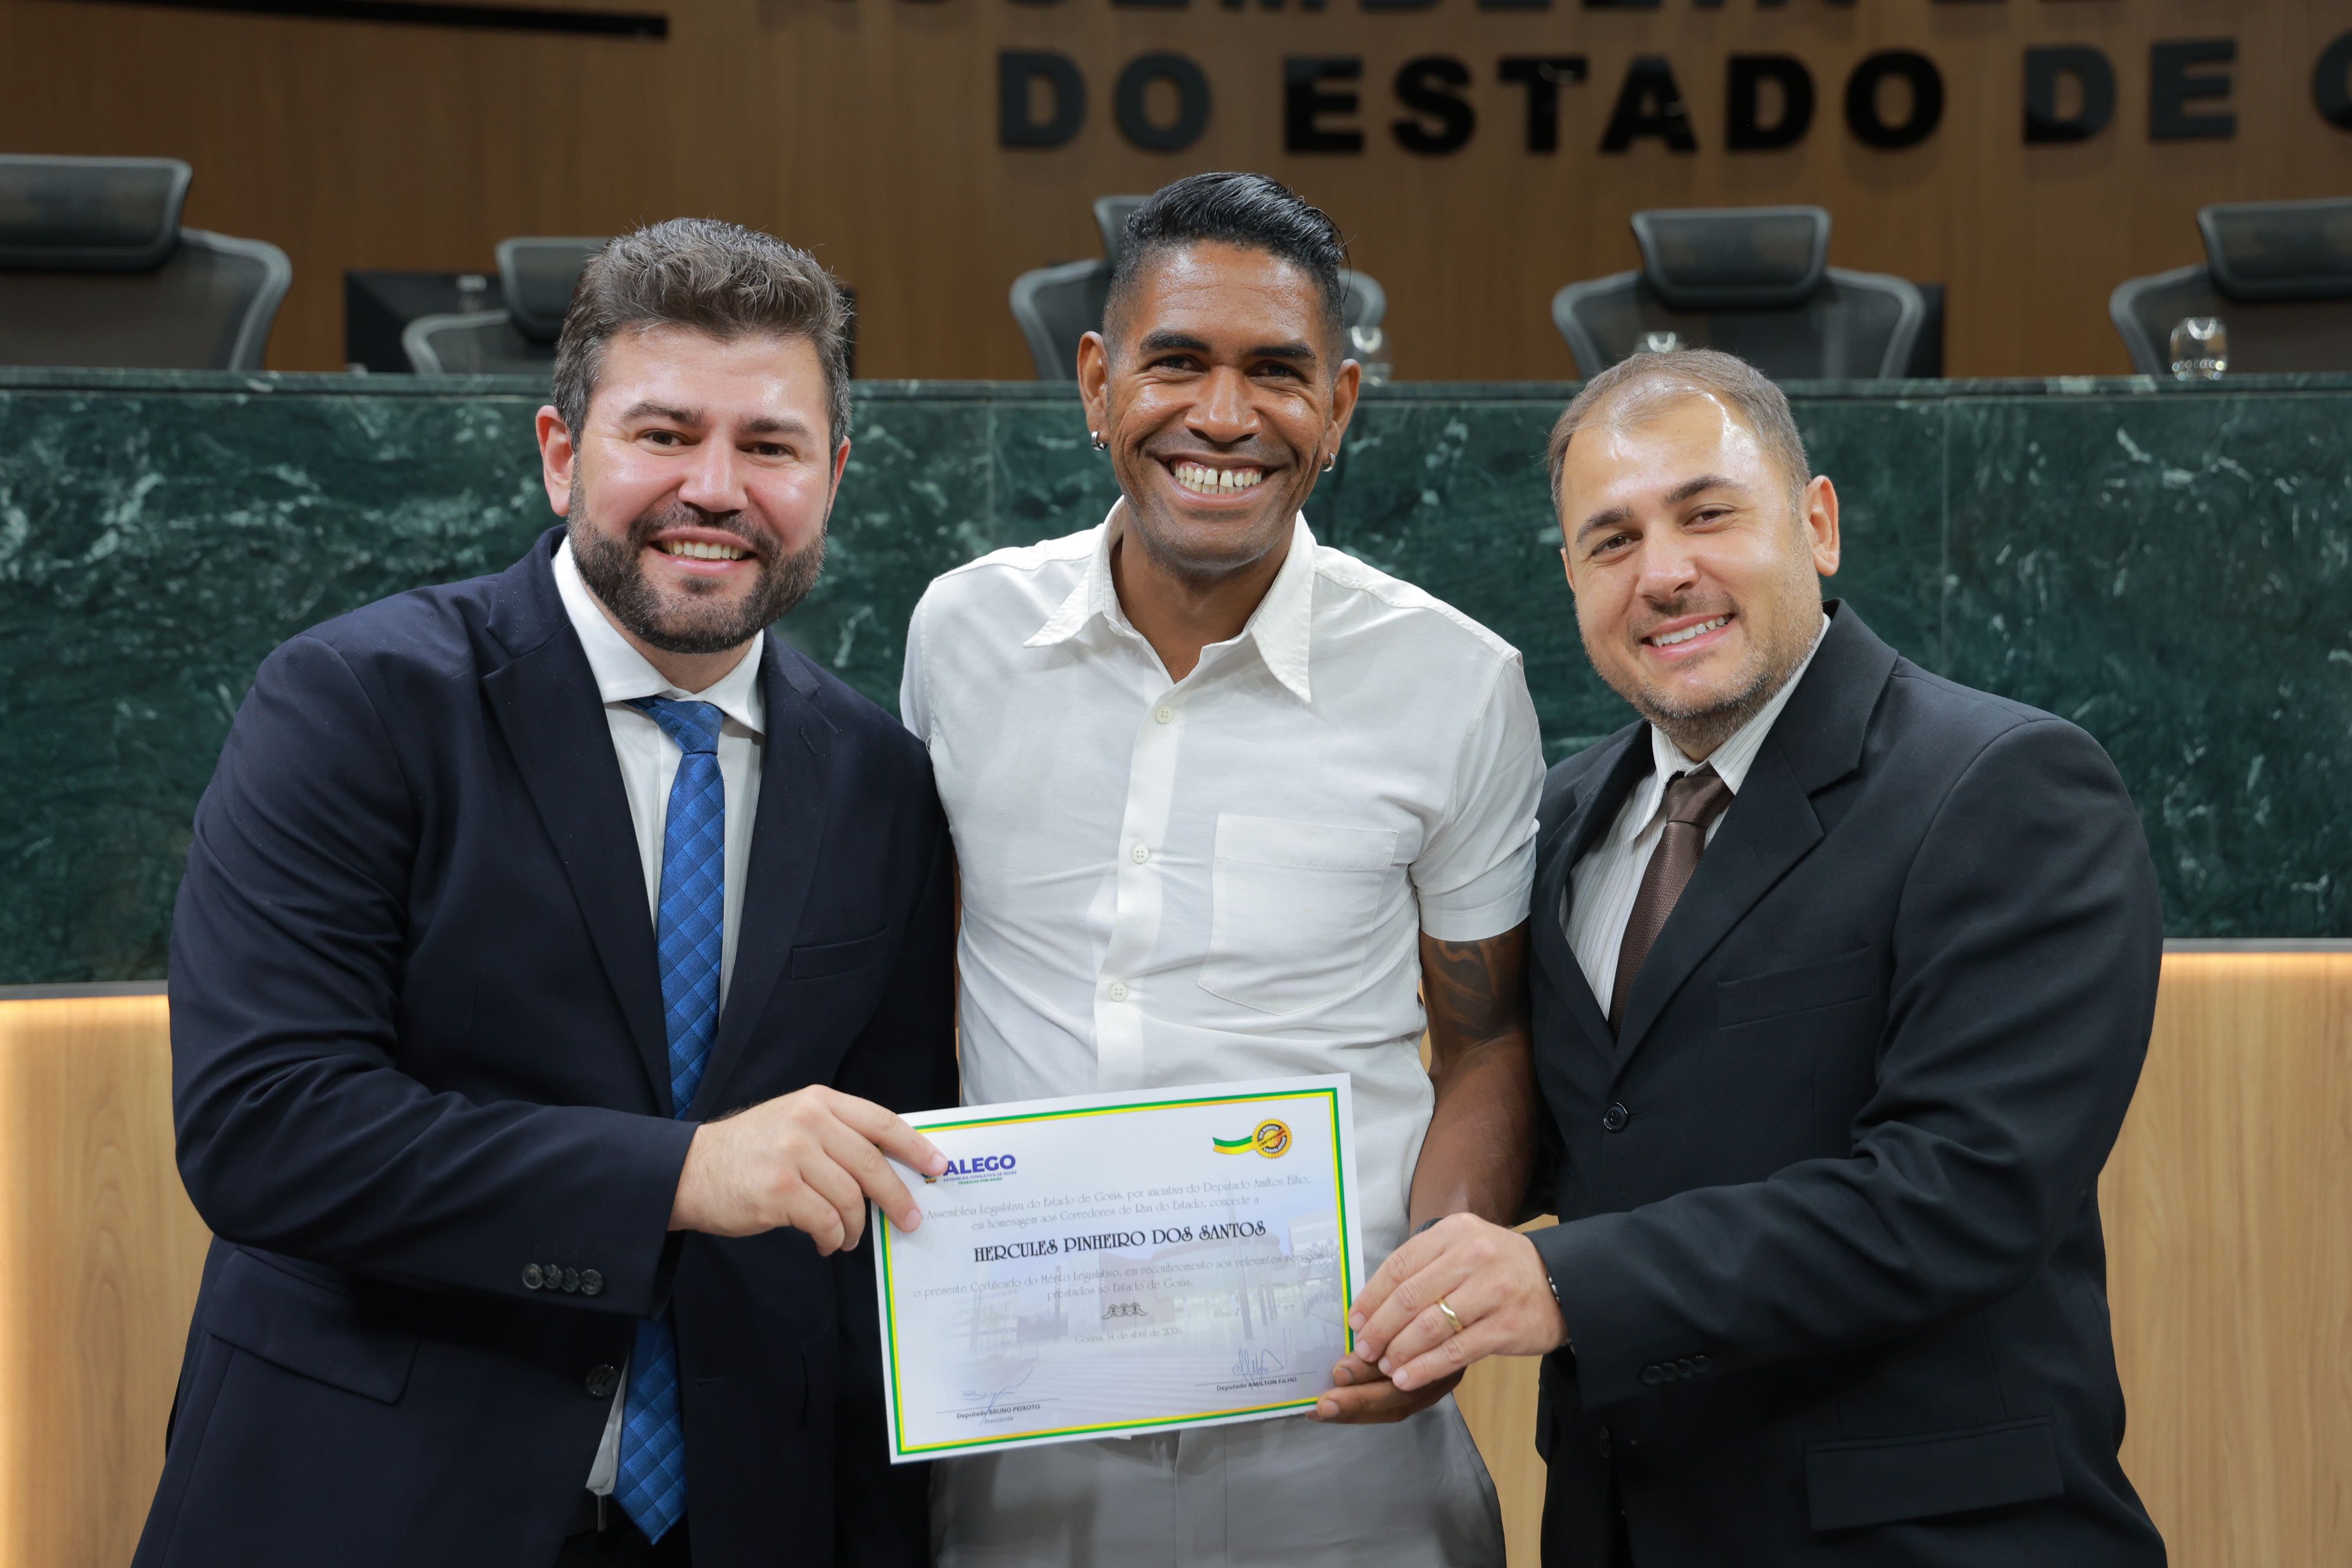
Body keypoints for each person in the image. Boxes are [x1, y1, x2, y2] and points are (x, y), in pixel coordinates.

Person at [133, 220, 955, 1568]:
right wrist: (681, 1175)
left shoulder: (884, 778)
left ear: (835, 475)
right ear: (563, 453)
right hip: (373, 1507)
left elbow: (887, 1203)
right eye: (664, 434)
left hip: (744, 1518)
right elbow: (264, 1126)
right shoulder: (357, 702)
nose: (715, 488)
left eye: (770, 446)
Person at [1345, 349, 2168, 1566]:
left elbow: (1959, 1191)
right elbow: (1577, 1128)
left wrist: (1562, 1281)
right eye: (1612, 540)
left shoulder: (2008, 787)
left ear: (1818, 524)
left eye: (1707, 514)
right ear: (1571, 578)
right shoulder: (1557, 821)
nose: (1663, 573)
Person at [899, 172, 1541, 1567]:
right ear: (1097, 381)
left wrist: (1431, 1303)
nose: (1226, 415)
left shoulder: (1457, 682)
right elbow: (920, 980)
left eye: (1278, 373)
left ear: (1342, 406)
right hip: (1021, 1420)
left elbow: (1488, 1042)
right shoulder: (963, 636)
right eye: (1177, 361)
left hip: (1342, 1429)